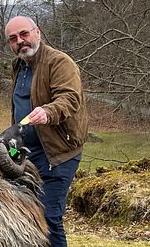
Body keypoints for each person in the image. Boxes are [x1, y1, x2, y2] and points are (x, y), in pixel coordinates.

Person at [5, 15, 88, 247]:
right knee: (24, 216)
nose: (20, 41)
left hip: (57, 154)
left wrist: (48, 112)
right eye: (13, 38)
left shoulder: (60, 62)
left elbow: (70, 98)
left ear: (37, 32)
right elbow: (20, 103)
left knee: (49, 218)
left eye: (24, 34)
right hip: (27, 154)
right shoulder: (19, 65)